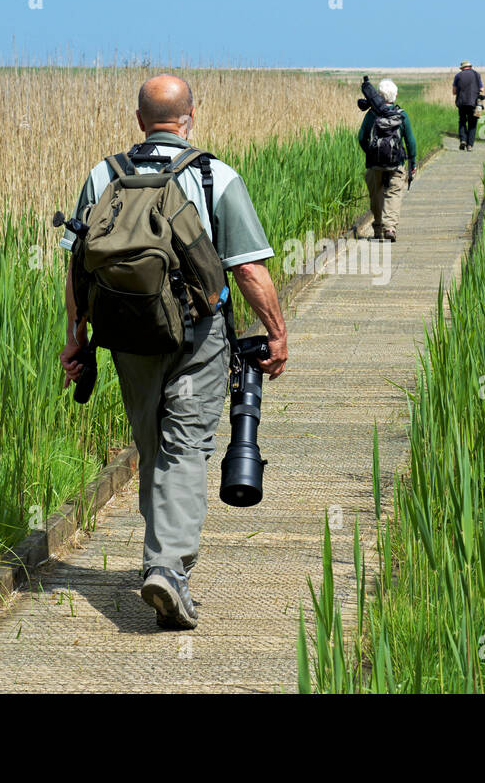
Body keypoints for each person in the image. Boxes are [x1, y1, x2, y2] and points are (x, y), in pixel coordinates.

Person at [58, 74, 288, 630]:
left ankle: (162, 562)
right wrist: (276, 331)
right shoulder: (214, 176)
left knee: (152, 445)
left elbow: (76, 269)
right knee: (185, 444)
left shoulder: (102, 175)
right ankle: (167, 568)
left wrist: (76, 338)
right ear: (191, 116)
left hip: (126, 338)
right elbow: (249, 270)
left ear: (140, 119)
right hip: (197, 334)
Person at [356, 78, 417, 242]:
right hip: (396, 163)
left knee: (376, 194)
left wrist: (370, 152)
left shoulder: (371, 114)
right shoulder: (401, 115)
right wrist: (412, 162)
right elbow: (410, 141)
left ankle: (377, 228)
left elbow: (361, 137)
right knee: (394, 194)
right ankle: (390, 227)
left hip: (374, 164)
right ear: (394, 96)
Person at [452, 60, 484, 150]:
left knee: (462, 121)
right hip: (474, 103)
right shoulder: (476, 75)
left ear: (462, 68)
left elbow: (454, 92)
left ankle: (463, 140)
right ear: (470, 67)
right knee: (472, 123)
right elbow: (482, 89)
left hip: (461, 103)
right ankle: (470, 145)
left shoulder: (458, 76)